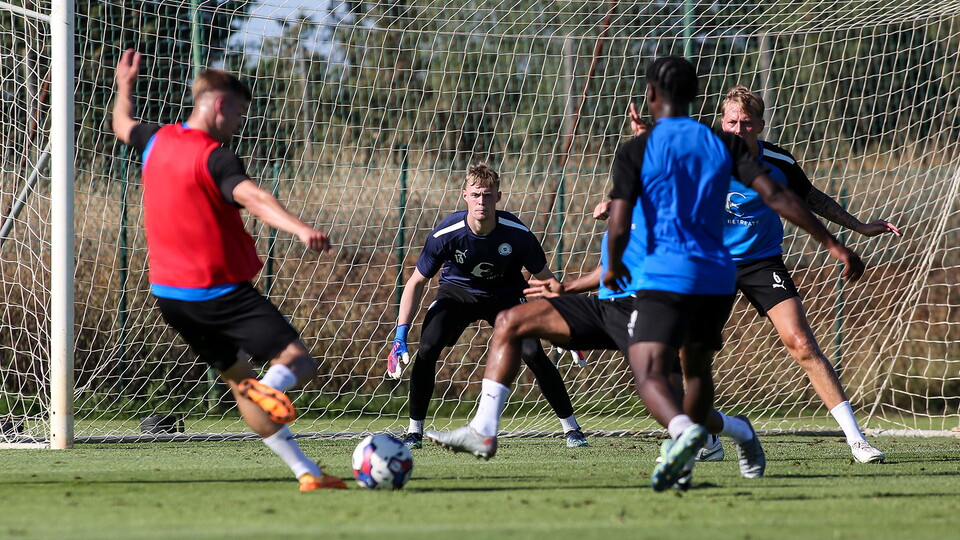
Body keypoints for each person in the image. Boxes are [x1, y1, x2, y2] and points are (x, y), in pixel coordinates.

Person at [426, 56, 864, 492]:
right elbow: (779, 197)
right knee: (513, 322)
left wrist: (614, 262)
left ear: (651, 97)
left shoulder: (650, 152)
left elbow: (621, 229)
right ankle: (486, 429)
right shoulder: (710, 149)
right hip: (669, 289)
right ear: (696, 100)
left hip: (672, 288)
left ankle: (707, 437)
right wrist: (834, 244)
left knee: (665, 384)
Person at [111, 49, 345, 491]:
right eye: (238, 113)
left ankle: (307, 473)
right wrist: (299, 227)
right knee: (297, 362)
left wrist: (125, 83)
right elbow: (254, 198)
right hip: (220, 293)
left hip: (171, 298)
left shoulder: (155, 139)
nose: (238, 123)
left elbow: (121, 123)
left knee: (241, 384)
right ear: (220, 106)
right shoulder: (216, 157)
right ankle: (272, 388)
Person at [714, 85, 899, 462]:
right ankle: (705, 437)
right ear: (722, 122)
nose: (738, 129)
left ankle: (857, 441)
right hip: (709, 263)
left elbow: (810, 197)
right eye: (732, 121)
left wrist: (858, 227)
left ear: (760, 126)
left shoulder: (778, 162)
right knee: (691, 350)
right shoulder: (701, 156)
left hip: (761, 262)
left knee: (802, 343)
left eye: (746, 123)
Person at [386, 163, 588, 449]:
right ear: (465, 196)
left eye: (489, 195)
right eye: (477, 194)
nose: (483, 201)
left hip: (506, 296)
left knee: (532, 351)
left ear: (499, 197)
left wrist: (570, 327)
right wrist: (399, 337)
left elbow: (548, 282)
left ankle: (572, 429)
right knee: (428, 347)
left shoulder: (517, 234)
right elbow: (415, 282)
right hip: (457, 294)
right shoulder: (447, 233)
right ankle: (414, 431)